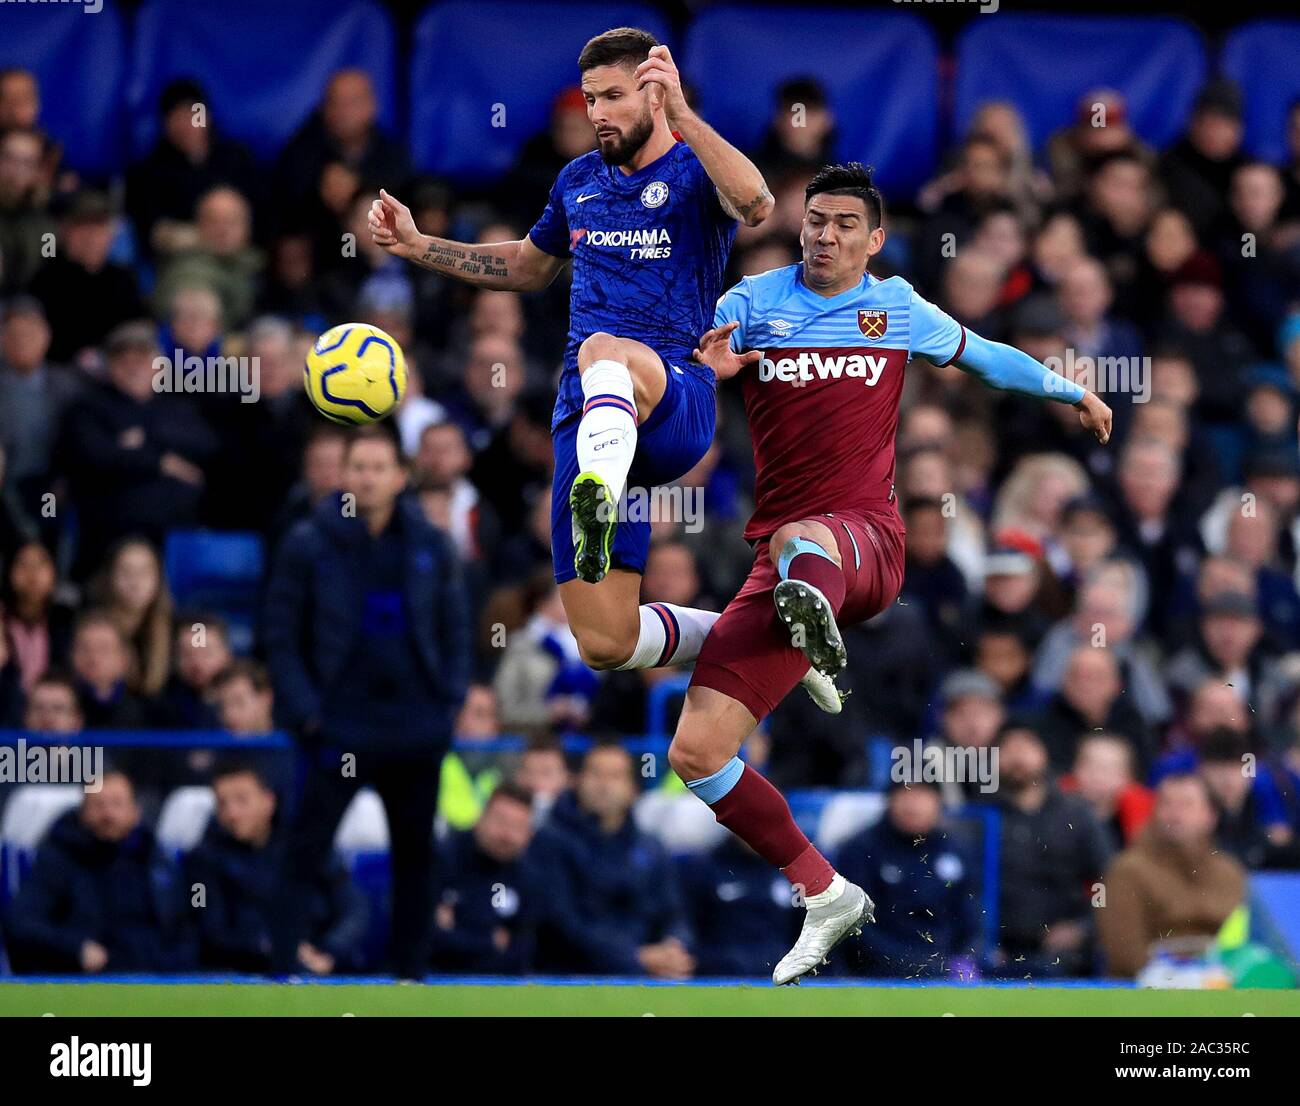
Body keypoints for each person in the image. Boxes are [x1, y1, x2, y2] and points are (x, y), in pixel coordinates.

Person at [679, 161, 1113, 984]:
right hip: (781, 558)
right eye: (814, 219)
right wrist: (711, 374)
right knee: (697, 753)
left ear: (874, 239)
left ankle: (818, 633)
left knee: (805, 537)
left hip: (867, 543)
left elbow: (986, 358)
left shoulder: (897, 306)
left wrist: (1068, 391)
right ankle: (823, 890)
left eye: (844, 223)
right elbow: (698, 379)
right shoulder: (751, 304)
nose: (824, 234)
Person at [364, 29, 847, 711]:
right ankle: (773, 642)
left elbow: (758, 203)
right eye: (591, 99)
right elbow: (531, 266)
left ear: (653, 94)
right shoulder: (578, 181)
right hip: (587, 412)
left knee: (602, 350)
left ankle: (600, 480)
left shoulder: (693, 170)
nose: (598, 113)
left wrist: (682, 115)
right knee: (607, 642)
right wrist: (420, 248)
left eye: (614, 97)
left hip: (673, 397)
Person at [264, 426, 471, 978]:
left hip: (415, 727)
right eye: (358, 467)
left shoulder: (432, 544)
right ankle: (281, 969)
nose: (368, 478)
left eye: (380, 468)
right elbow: (280, 637)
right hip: (335, 728)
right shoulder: (308, 542)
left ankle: (410, 978)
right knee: (301, 853)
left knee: (417, 861)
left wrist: (448, 703)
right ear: (343, 475)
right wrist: (308, 713)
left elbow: (456, 630)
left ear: (401, 477)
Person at [530, 742, 694, 977]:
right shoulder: (550, 842)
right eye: (596, 773)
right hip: (570, 976)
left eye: (615, 776)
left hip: (646, 973)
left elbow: (673, 913)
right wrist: (634, 957)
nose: (604, 785)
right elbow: (561, 925)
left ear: (633, 789)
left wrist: (675, 945)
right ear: (577, 781)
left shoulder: (651, 848)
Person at [4, 770, 193, 974]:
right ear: (82, 812)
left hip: (155, 978)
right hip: (79, 980)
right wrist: (76, 948)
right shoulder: (58, 859)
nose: (108, 814)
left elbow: (185, 925)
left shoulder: (158, 861)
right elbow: (22, 922)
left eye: (117, 804)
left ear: (135, 811)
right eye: (98, 805)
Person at [186, 763, 366, 974]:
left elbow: (354, 907)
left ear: (268, 800)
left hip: (318, 966)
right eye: (222, 803)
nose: (231, 813)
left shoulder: (307, 846)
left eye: (241, 800)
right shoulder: (202, 859)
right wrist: (268, 946)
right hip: (242, 972)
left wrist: (329, 951)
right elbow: (209, 927)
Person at [1097, 773, 1246, 978]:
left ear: (1211, 816)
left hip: (1223, 988)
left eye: (1186, 805)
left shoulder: (1230, 872)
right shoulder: (1128, 871)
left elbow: (1246, 944)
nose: (1174, 814)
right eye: (1166, 804)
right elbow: (1125, 956)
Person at [430, 783, 540, 974]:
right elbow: (427, 938)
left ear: (529, 835)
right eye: (500, 822)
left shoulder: (529, 877)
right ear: (480, 818)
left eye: (517, 827)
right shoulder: (442, 859)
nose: (506, 835)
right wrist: (490, 941)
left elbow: (522, 951)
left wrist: (457, 933)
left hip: (501, 987)